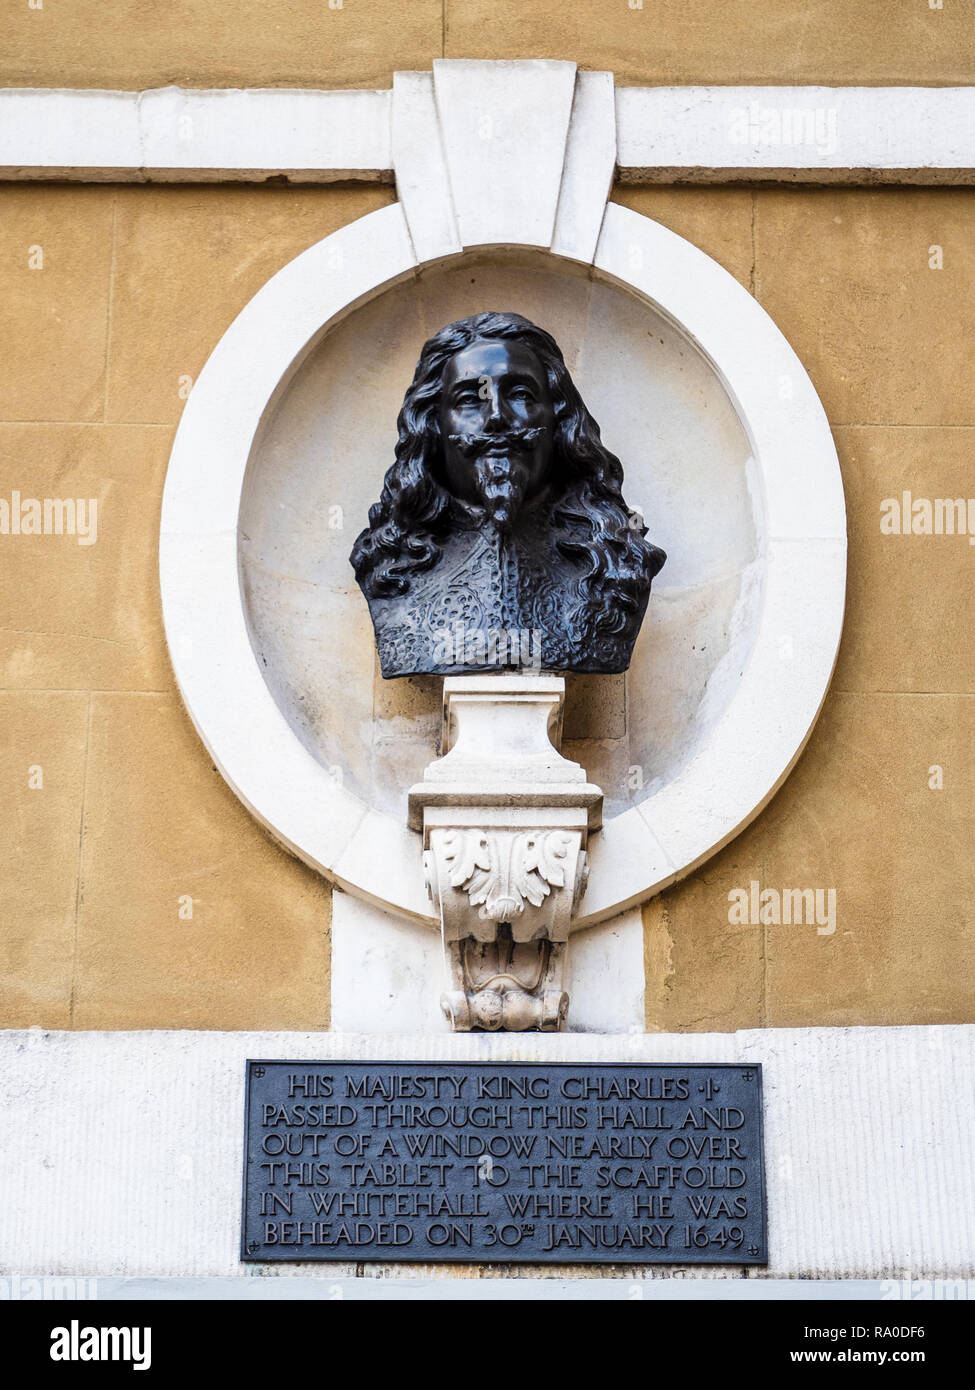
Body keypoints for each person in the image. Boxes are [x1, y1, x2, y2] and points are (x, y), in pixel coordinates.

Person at [349, 311, 665, 677]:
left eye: (519, 394)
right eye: (470, 399)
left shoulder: (618, 559)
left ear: (558, 418)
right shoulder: (390, 565)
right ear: (434, 426)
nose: (496, 416)